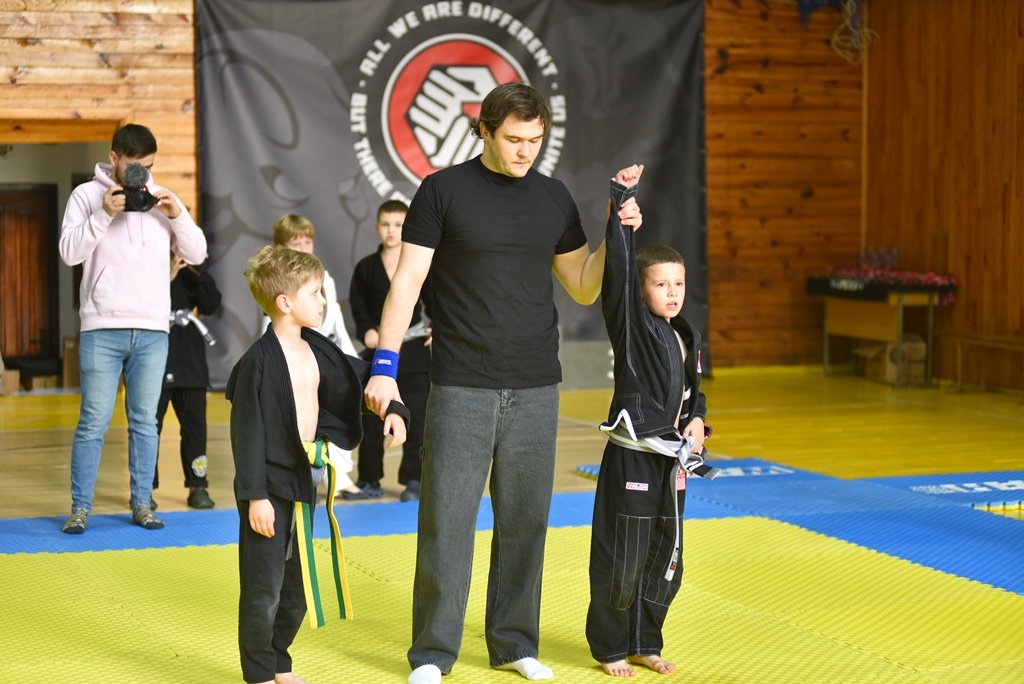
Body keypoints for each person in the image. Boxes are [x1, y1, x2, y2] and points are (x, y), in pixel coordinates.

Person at [363, 82, 645, 684]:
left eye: (535, 140)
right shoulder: (442, 190)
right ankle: (432, 653)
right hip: (461, 382)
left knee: (525, 521)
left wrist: (614, 231)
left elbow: (583, 284)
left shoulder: (553, 197)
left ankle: (514, 643)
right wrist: (384, 368)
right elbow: (407, 283)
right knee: (447, 523)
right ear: (485, 131)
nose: (525, 152)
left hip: (537, 383)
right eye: (514, 139)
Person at [227, 245, 409, 684]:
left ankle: (279, 662)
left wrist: (394, 408)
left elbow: (361, 378)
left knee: (296, 586)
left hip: (304, 480)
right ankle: (258, 672)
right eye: (314, 292)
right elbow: (246, 435)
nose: (323, 300)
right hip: (267, 487)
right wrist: (254, 497)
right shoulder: (257, 363)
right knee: (264, 586)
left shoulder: (317, 348)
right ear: (284, 302)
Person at [586, 173, 716, 677]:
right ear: (641, 291)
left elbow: (692, 392)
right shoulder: (633, 326)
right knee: (624, 553)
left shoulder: (685, 333)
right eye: (661, 284)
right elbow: (617, 278)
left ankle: (645, 640)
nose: (672, 292)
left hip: (674, 462)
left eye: (678, 283)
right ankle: (610, 647)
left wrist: (699, 418)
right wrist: (621, 210)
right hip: (635, 456)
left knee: (666, 554)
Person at [58, 123, 207, 534]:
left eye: (148, 166)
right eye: (134, 166)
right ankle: (80, 508)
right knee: (93, 421)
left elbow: (197, 253)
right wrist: (104, 214)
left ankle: (143, 504)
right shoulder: (86, 196)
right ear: (114, 158)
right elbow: (69, 253)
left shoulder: (161, 198)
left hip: (152, 330)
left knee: (145, 422)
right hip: (101, 328)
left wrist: (176, 215)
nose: (142, 174)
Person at [267, 214, 363, 499]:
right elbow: (270, 324)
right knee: (302, 420)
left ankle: (339, 476)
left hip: (327, 353)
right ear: (280, 247)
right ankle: (304, 476)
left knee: (337, 414)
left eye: (307, 242)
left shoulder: (324, 278)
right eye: (295, 244)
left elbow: (336, 320)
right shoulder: (275, 281)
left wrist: (348, 357)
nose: (303, 249)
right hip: (295, 358)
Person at [349, 199, 431, 502]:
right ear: (377, 227)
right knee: (372, 417)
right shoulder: (366, 268)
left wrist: (439, 326)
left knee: (417, 418)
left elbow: (437, 299)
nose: (391, 231)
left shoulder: (419, 262)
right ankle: (369, 478)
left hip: (415, 351)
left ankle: (414, 479)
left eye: (398, 225)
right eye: (386, 224)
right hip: (379, 352)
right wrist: (367, 331)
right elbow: (358, 307)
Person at [152, 255, 222, 510]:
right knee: (149, 427)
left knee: (195, 426)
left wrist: (197, 271)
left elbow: (211, 304)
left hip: (190, 356)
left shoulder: (192, 266)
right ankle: (144, 489)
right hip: (155, 349)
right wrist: (167, 274)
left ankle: (198, 484)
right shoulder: (149, 259)